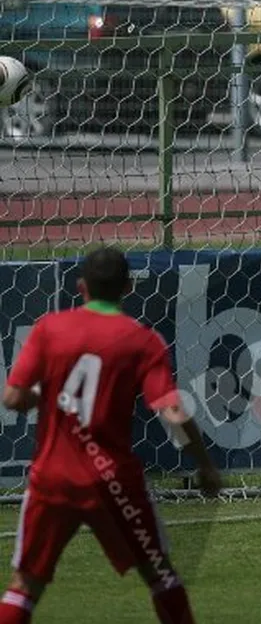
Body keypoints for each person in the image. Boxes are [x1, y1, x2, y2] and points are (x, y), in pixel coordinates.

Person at [0, 246, 221, 624]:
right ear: (128, 287)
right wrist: (204, 465)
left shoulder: (50, 329)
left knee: (25, 586)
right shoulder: (142, 340)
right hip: (114, 482)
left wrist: (48, 392)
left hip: (53, 478)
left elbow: (13, 399)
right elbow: (171, 411)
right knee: (160, 574)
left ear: (81, 286)